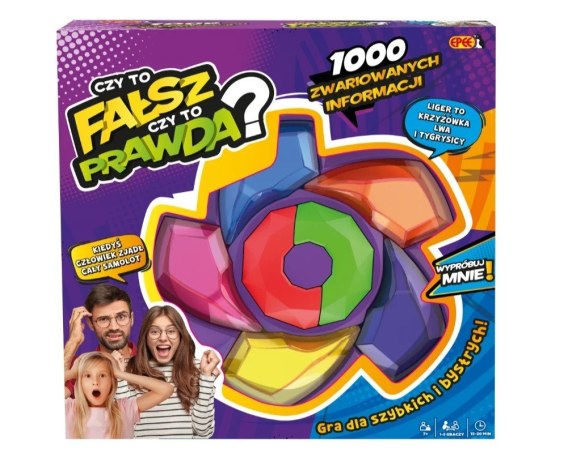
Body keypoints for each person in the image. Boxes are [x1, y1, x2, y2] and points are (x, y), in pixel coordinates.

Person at [126, 305, 221, 438]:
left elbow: (203, 430)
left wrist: (206, 378)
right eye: (154, 332)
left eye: (171, 331)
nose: (163, 338)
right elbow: (120, 425)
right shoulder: (130, 369)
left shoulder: (196, 369)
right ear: (145, 337)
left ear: (180, 336)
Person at [64, 351, 173, 439]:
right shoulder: (69, 408)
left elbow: (166, 389)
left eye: (102, 375)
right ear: (80, 382)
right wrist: (72, 373)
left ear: (112, 382)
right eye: (88, 376)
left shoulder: (124, 409)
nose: (95, 382)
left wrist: (119, 374)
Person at [64, 284, 136, 398]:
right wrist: (73, 342)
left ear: (131, 319)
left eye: (121, 317)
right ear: (90, 323)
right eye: (103, 319)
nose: (114, 327)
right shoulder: (79, 366)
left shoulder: (151, 361)